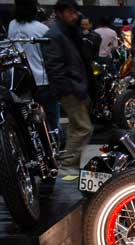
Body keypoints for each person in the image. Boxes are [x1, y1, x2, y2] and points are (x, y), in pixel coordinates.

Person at [42, 0, 94, 167]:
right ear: (59, 13)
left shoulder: (69, 31)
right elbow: (54, 67)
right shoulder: (54, 35)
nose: (74, 16)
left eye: (75, 12)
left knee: (76, 128)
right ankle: (67, 166)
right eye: (70, 12)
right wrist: (68, 89)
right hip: (70, 88)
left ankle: (70, 166)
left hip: (77, 85)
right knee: (84, 128)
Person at [8, 0, 61, 139]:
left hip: (20, 82)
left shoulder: (12, 25)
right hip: (42, 80)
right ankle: (55, 143)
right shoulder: (41, 28)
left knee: (26, 120)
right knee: (51, 119)